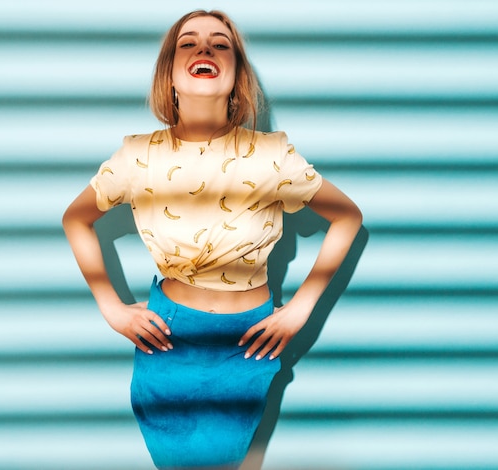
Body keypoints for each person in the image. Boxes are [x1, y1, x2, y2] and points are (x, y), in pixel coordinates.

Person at [62, 9, 362, 470]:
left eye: (220, 44)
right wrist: (112, 308)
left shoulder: (271, 154)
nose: (205, 48)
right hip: (168, 339)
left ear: (237, 76)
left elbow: (347, 217)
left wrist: (301, 309)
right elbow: (75, 219)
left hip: (248, 342)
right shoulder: (138, 155)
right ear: (171, 76)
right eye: (189, 43)